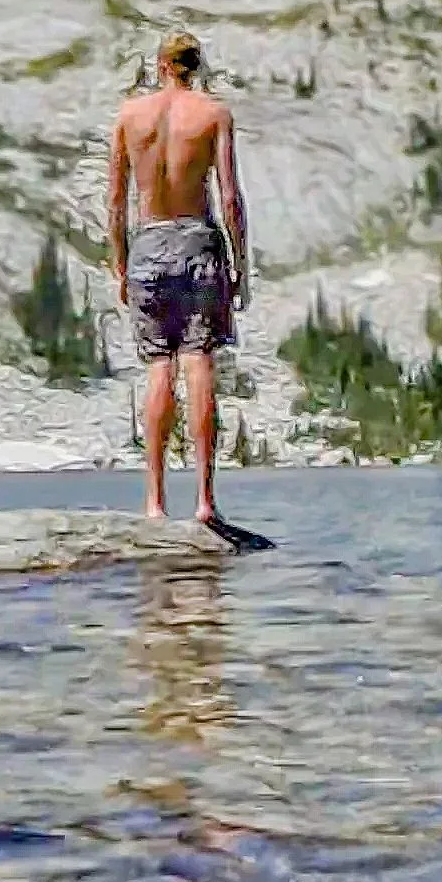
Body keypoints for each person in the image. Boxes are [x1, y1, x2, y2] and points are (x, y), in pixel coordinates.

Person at [108, 29, 249, 522]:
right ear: (196, 66)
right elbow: (229, 197)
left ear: (161, 66)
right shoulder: (213, 114)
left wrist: (121, 263)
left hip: (149, 242)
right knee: (198, 362)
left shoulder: (129, 116)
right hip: (198, 242)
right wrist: (240, 263)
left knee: (158, 367)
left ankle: (154, 501)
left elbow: (116, 201)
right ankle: (205, 501)